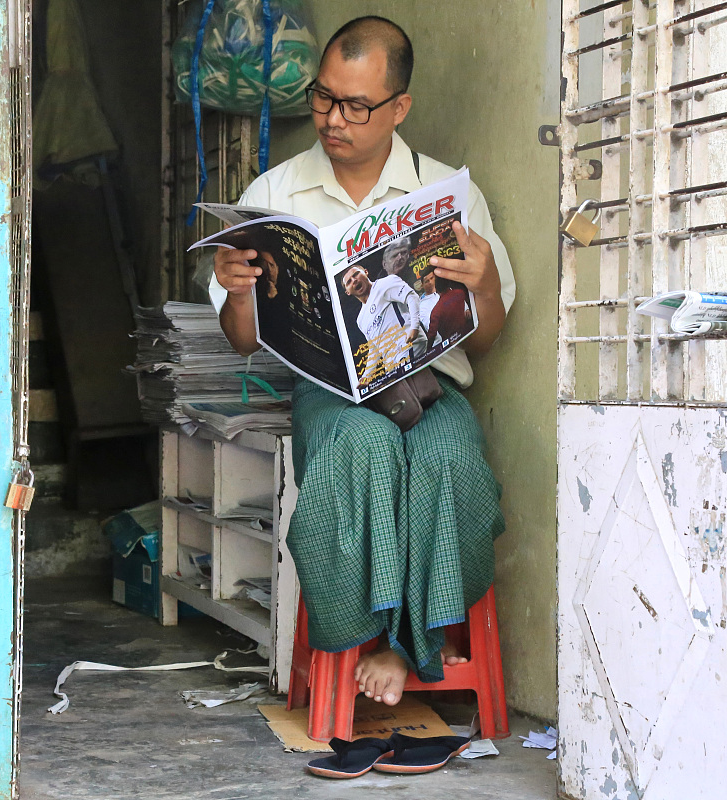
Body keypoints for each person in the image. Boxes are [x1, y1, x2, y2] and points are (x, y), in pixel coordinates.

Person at [210, 16, 514, 706]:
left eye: (355, 105)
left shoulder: (446, 196)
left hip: (427, 388)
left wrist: (485, 284)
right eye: (323, 98)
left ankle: (410, 647)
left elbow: (486, 338)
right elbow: (241, 339)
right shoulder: (274, 194)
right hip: (331, 395)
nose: (332, 119)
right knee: (364, 449)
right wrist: (238, 292)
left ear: (398, 107)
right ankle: (378, 644)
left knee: (453, 460)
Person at [340, 264, 427, 384]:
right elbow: (374, 347)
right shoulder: (360, 320)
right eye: (349, 281)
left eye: (356, 274)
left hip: (408, 347)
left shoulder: (384, 284)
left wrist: (414, 327)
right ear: (347, 292)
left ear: (366, 272)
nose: (354, 280)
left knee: (421, 390)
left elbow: (411, 297)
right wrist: (367, 375)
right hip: (391, 364)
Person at [419, 269, 471, 346]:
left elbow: (458, 298)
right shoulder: (422, 306)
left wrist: (466, 309)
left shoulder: (445, 289)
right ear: (422, 285)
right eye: (427, 281)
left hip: (462, 331)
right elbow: (432, 330)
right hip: (445, 342)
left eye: (432, 278)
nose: (430, 282)